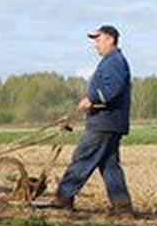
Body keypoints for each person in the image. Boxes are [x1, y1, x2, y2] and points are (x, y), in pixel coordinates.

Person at [37, 24, 134, 216]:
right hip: (111, 122)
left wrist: (92, 98)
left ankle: (63, 198)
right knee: (109, 165)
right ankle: (122, 207)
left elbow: (113, 88)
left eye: (98, 40)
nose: (95, 45)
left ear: (110, 39)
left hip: (104, 122)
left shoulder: (113, 61)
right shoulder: (113, 60)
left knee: (82, 158)